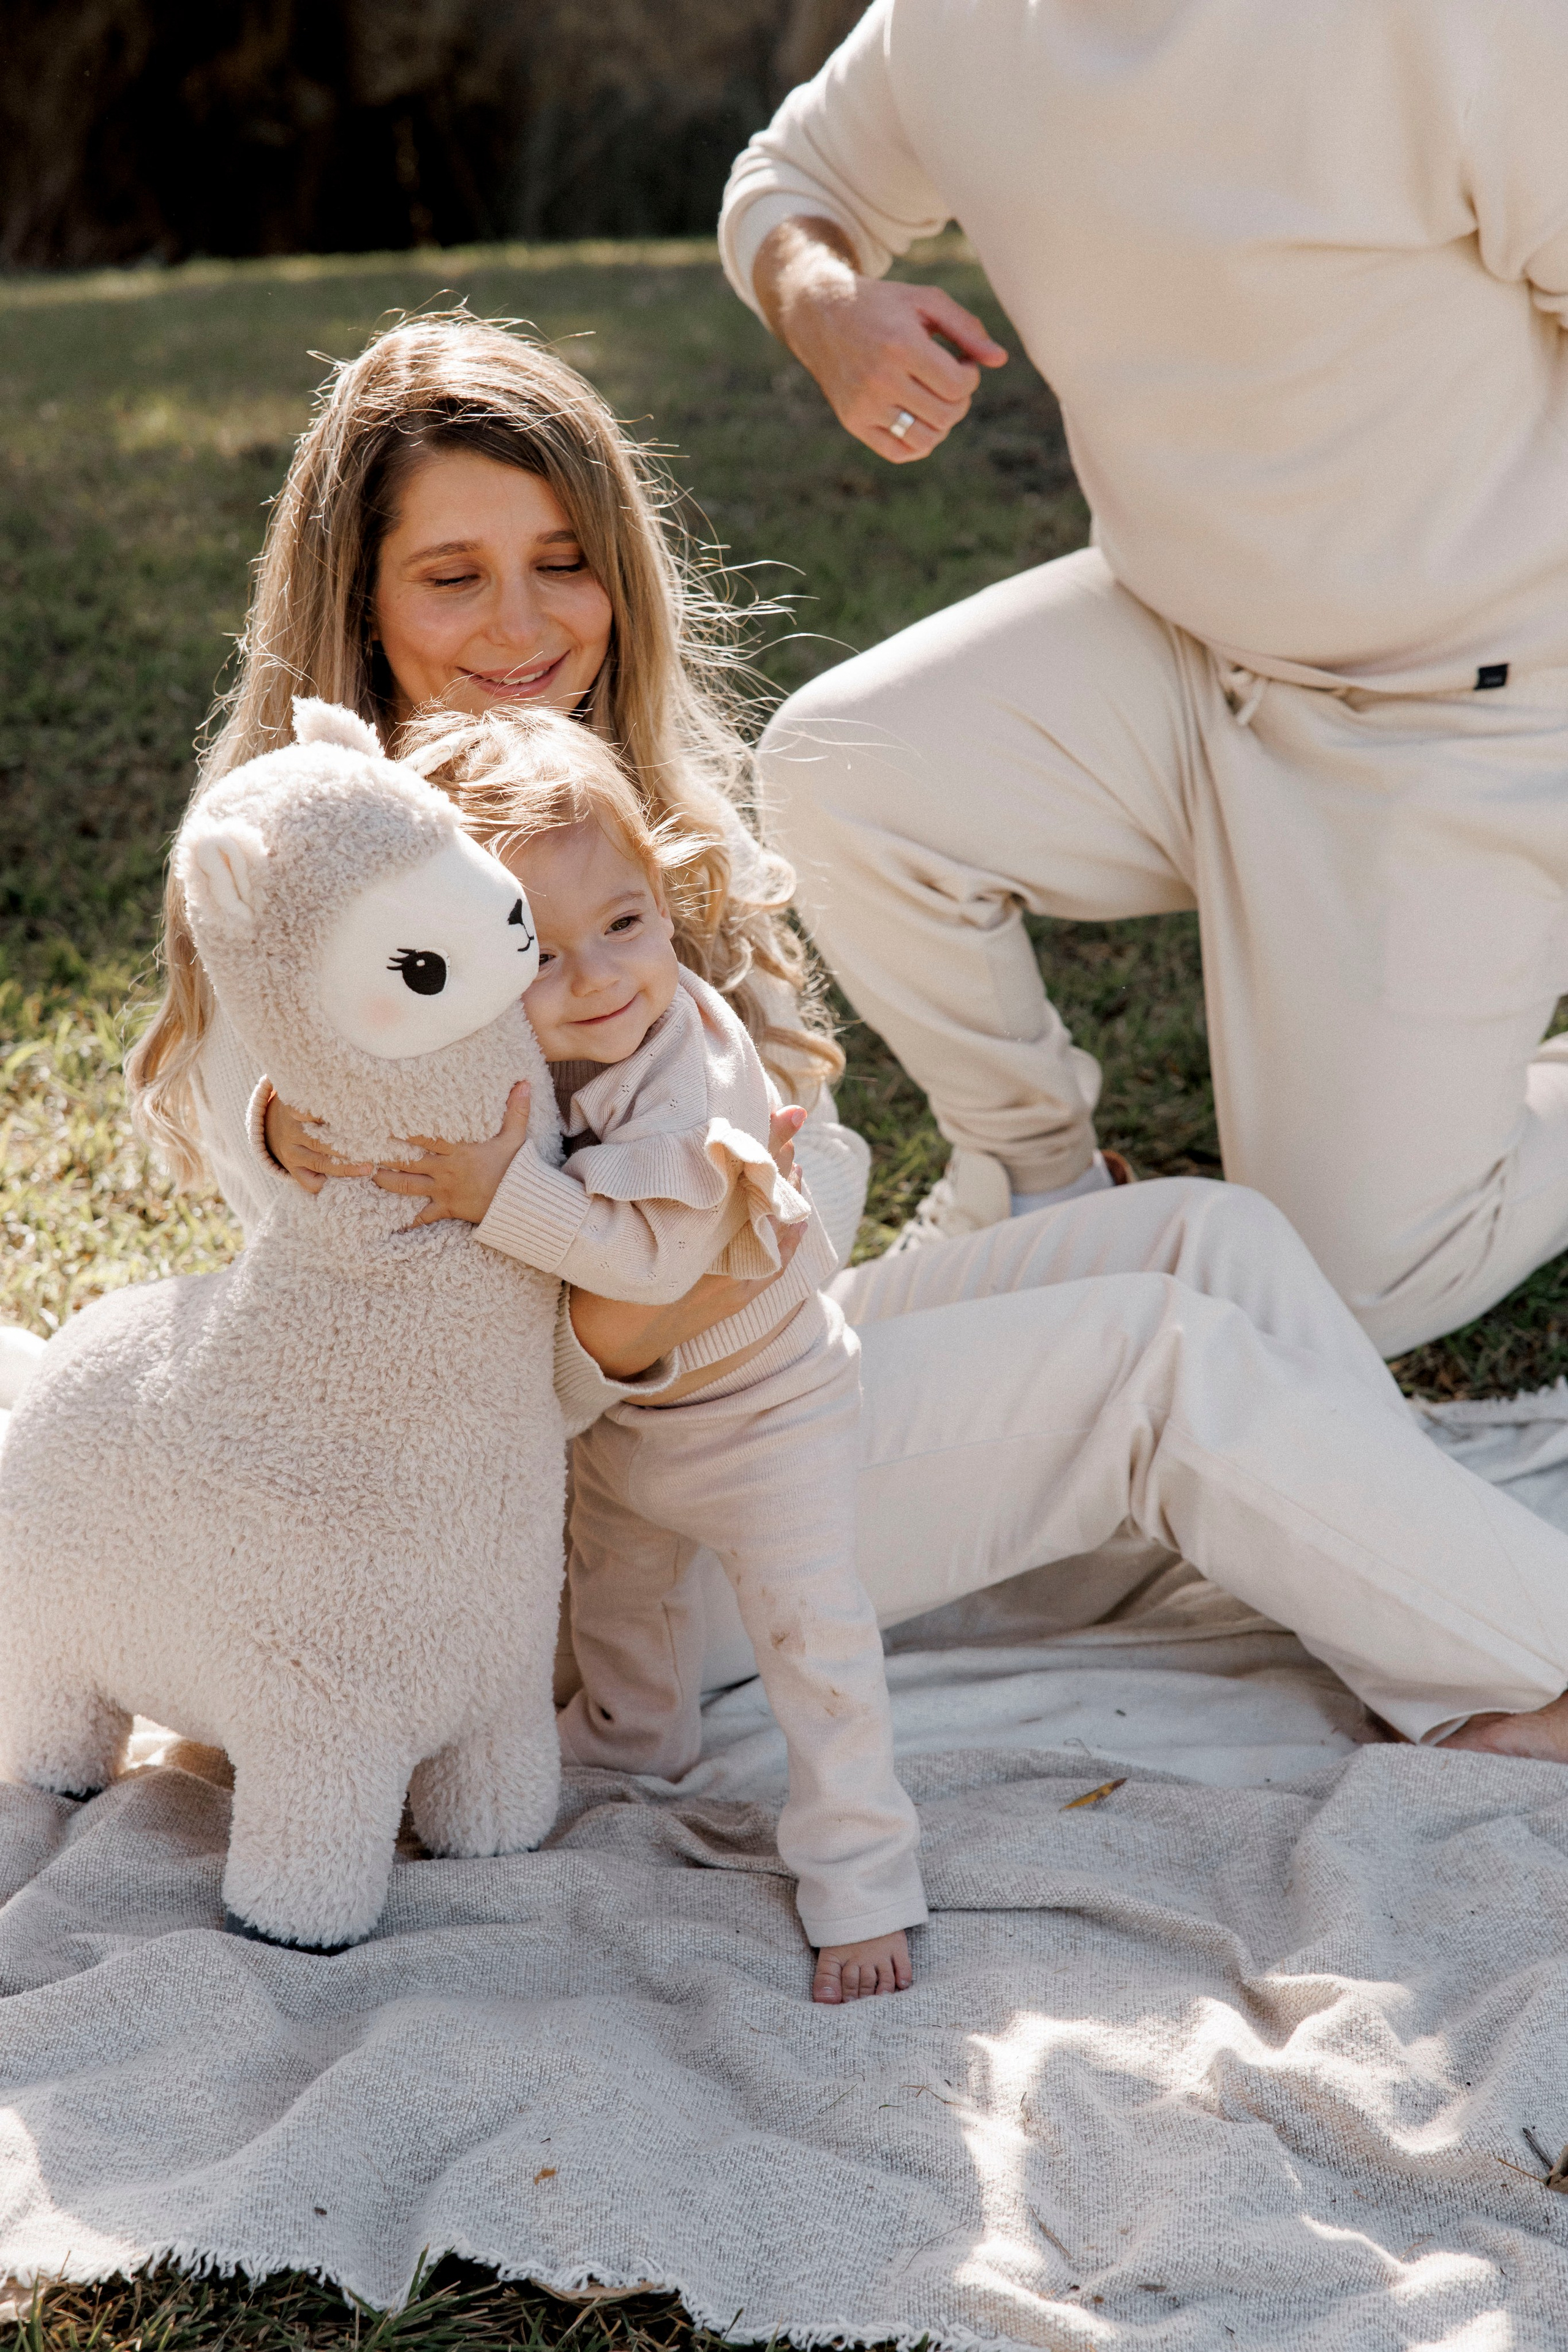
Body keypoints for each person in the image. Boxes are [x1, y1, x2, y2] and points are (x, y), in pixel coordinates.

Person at [130, 315, 1568, 2006]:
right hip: (606, 1541)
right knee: (1154, 1365)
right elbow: (458, 1369)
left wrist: (750, 1225)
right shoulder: (345, 937)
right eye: (452, 576)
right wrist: (708, 1256)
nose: (522, 626)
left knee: (1209, 1244)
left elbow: (809, 1198)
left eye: (563, 563)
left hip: (732, 1359)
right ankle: (1532, 1653)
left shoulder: (594, 827)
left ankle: (1431, 1607)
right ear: (355, 603)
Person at [720, 0, 1568, 1357]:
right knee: (837, 770)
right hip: (1175, 644)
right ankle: (1036, 1184)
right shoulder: (956, 24)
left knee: (1349, 1288)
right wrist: (825, 304)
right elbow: (789, 180)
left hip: (1469, 709)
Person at [382, 702, 924, 2000]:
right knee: (619, 1598)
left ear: (659, 892)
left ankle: (862, 1884)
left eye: (624, 924)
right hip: (632, 1424)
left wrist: (491, 1191)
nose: (600, 979)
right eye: (545, 953)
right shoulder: (545, 1037)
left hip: (765, 1410)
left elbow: (643, 1263)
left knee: (815, 1641)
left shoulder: (683, 1080)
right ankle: (631, 1747)